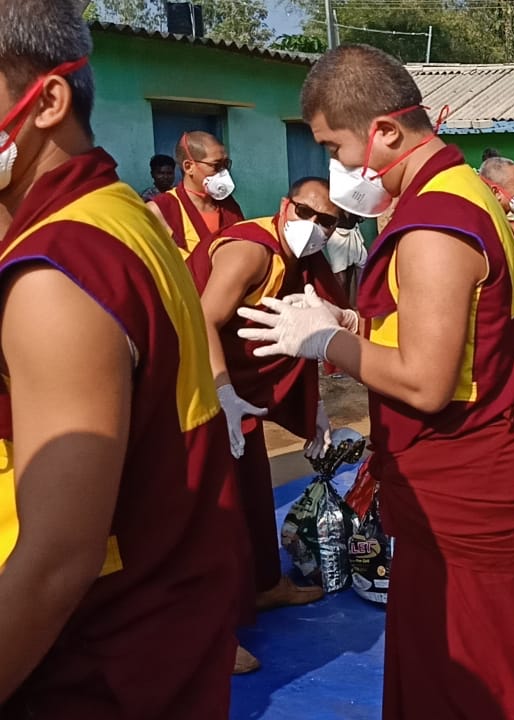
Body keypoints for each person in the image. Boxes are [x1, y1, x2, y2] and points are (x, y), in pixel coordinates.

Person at [238, 43, 514, 720]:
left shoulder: (434, 224)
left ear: (385, 131)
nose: (338, 168)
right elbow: (449, 327)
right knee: (443, 666)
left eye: (335, 145)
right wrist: (355, 316)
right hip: (461, 475)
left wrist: (327, 341)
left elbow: (424, 383)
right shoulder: (459, 191)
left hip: (471, 476)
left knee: (477, 680)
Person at [0, 3, 244, 716]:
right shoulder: (119, 212)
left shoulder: (55, 277)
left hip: (83, 657)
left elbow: (54, 563)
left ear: (45, 100)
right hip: (164, 618)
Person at [194, 177, 354, 674]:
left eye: (329, 222)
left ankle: (265, 585)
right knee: (210, 508)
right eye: (309, 214)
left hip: (236, 387)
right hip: (195, 377)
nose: (317, 228)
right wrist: (222, 393)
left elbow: (299, 336)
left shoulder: (304, 263)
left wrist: (315, 411)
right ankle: (209, 634)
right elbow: (200, 321)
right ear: (286, 206)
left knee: (252, 488)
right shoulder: (250, 251)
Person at [146, 130, 244, 276]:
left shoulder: (229, 206)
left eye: (226, 164)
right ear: (188, 167)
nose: (223, 172)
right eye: (216, 166)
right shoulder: (160, 210)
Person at [327, 210, 368, 307]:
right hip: (337, 235)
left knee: (363, 267)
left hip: (353, 231)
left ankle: (359, 305)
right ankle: (341, 307)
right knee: (341, 278)